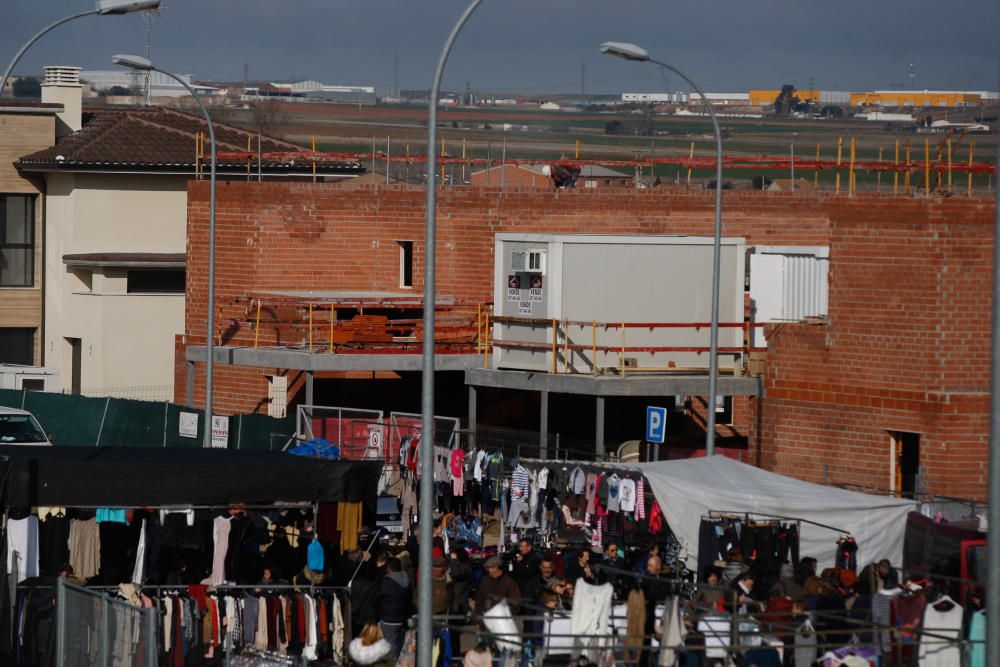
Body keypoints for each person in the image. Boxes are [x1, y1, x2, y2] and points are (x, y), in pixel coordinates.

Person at [373, 557, 411, 656]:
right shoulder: (406, 580)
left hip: (388, 618)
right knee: (399, 646)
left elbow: (376, 598)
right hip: (402, 618)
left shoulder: (386, 582)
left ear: (388, 568)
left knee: (389, 647)